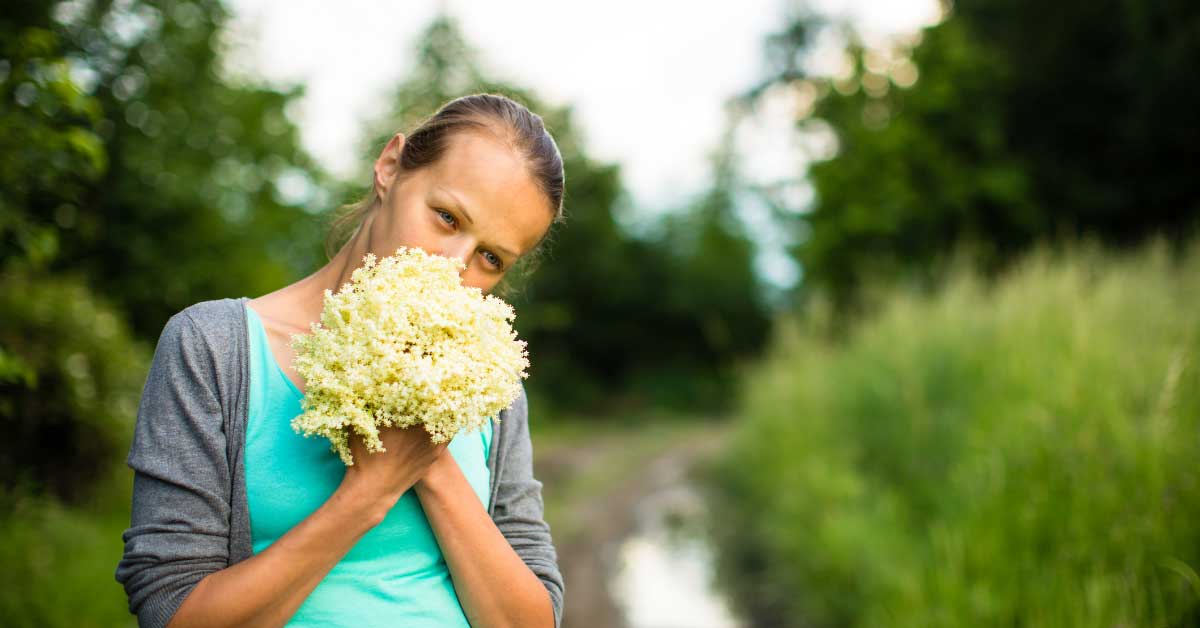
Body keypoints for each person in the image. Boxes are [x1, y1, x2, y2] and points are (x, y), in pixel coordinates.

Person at [114, 93, 566, 628]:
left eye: (490, 258)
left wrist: (430, 457)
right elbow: (169, 612)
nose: (452, 267)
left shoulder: (493, 385)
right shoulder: (214, 348)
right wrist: (369, 491)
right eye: (446, 217)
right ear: (391, 167)